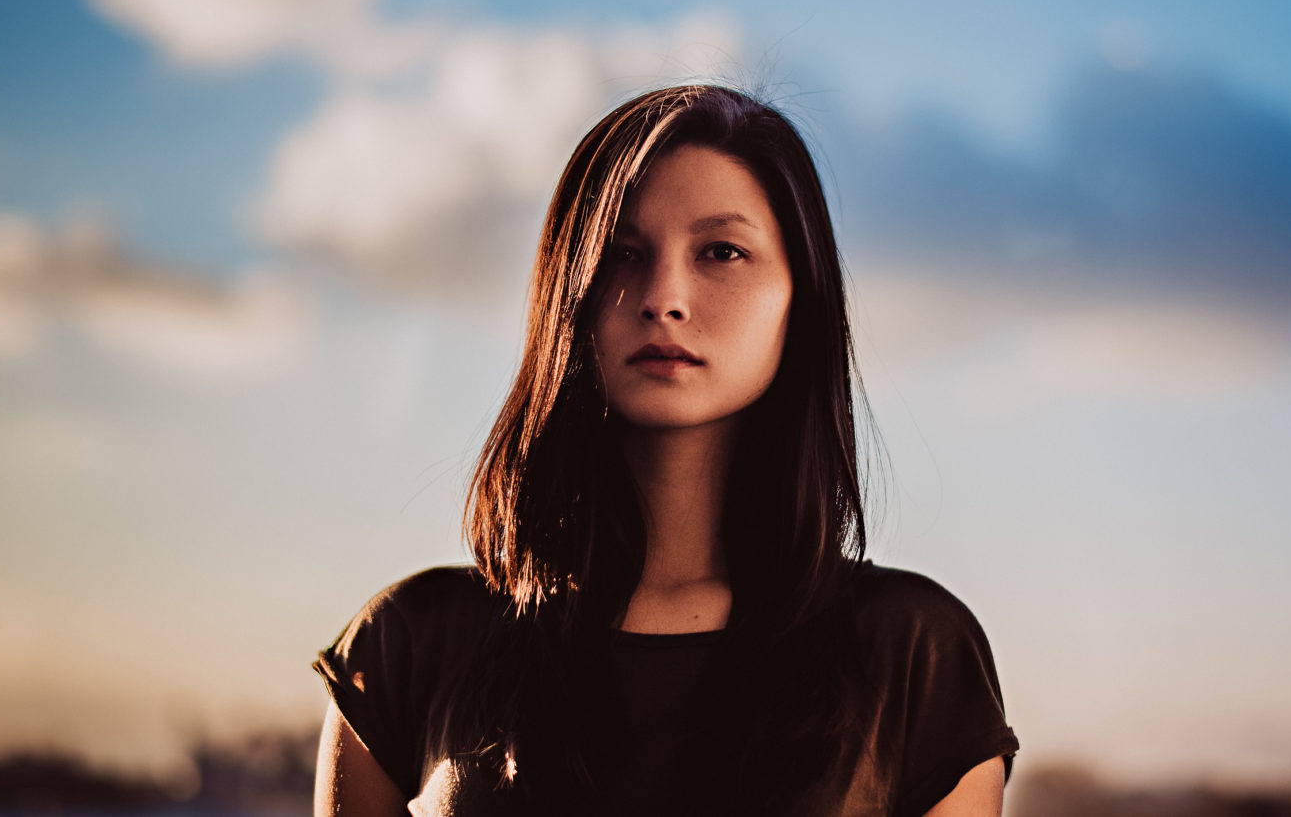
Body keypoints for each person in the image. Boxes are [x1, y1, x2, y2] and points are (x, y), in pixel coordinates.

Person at [313, 85, 1019, 816]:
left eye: (721, 251)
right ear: (567, 291)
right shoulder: (408, 645)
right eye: (622, 252)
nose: (663, 297)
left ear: (800, 297)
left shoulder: (914, 655)